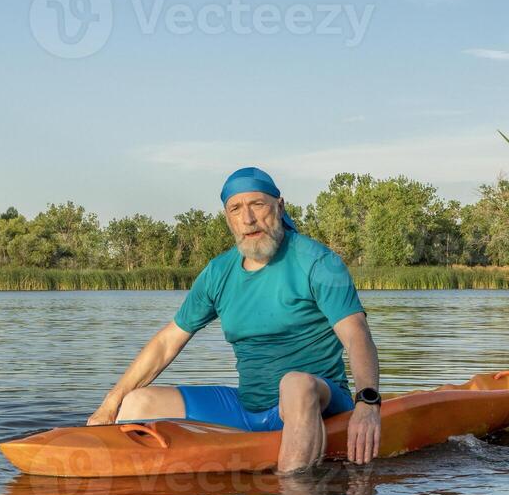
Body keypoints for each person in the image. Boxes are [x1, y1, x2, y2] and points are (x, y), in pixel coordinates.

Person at [87, 167, 382, 474]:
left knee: (294, 384)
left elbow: (356, 335)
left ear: (279, 206)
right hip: (247, 409)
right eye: (236, 209)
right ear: (228, 218)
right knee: (137, 403)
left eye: (257, 204)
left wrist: (368, 404)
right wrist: (111, 402)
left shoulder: (319, 263)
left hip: (318, 401)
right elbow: (166, 343)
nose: (248, 218)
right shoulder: (218, 273)